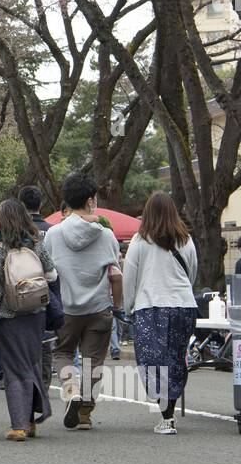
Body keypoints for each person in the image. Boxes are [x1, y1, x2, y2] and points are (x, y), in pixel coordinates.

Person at [44, 173, 122, 430]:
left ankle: (71, 389)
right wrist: (119, 306)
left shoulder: (53, 235)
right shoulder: (107, 236)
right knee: (93, 362)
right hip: (98, 307)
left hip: (66, 308)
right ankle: (85, 414)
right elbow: (115, 274)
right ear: (90, 201)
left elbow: (48, 272)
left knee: (63, 352)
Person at [0, 199, 57, 440]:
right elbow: (52, 275)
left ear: (2, 221)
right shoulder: (37, 245)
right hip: (36, 314)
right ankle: (32, 419)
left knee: (14, 369)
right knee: (31, 364)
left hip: (7, 316)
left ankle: (19, 425)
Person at [121, 192, 198, 435]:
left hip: (150, 306)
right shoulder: (186, 240)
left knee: (152, 361)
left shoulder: (140, 240)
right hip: (183, 306)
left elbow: (129, 277)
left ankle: (165, 413)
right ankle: (169, 410)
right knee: (176, 357)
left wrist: (127, 306)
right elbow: (191, 273)